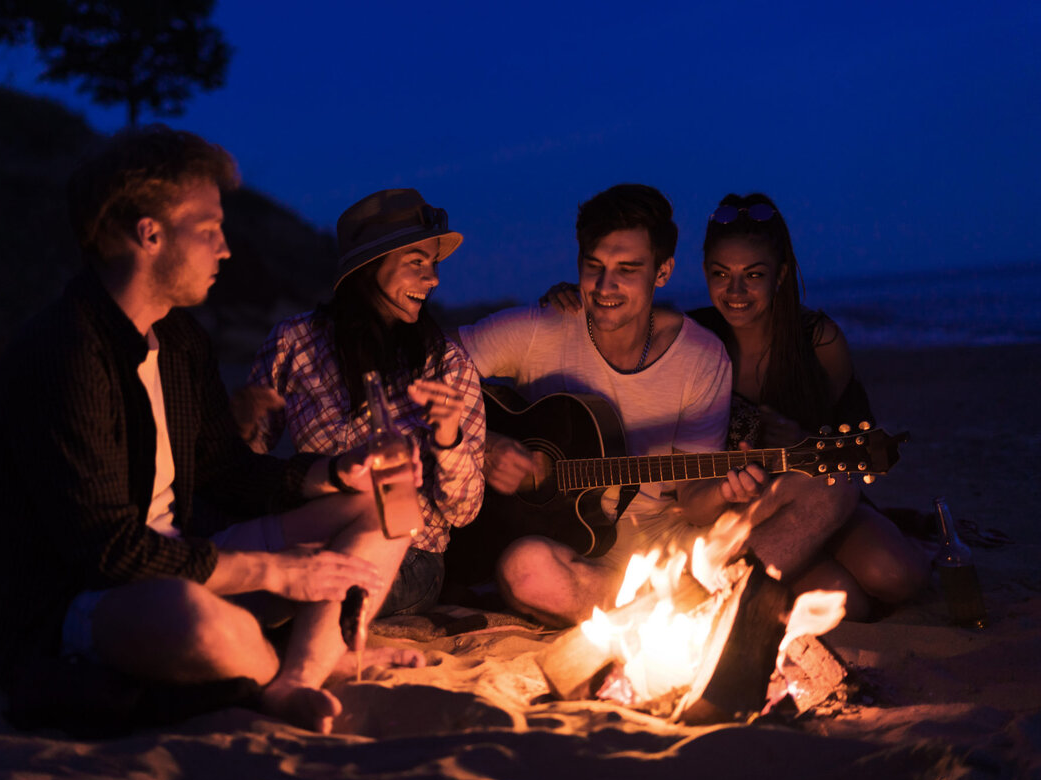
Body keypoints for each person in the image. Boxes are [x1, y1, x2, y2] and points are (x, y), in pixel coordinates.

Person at [0, 125, 422, 734]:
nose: (225, 249)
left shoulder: (179, 338)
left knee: (387, 502)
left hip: (190, 557)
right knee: (196, 620)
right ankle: (285, 666)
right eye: (209, 229)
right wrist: (275, 572)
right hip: (86, 598)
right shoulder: (65, 354)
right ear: (150, 235)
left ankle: (297, 676)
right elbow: (111, 552)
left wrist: (334, 473)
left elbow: (225, 469)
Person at [458, 184, 861, 627]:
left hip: (664, 536)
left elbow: (692, 502)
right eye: (594, 267)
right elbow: (422, 367)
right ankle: (699, 610)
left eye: (627, 269)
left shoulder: (700, 356)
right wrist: (487, 444)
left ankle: (669, 609)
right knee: (525, 570)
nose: (605, 286)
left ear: (663, 271)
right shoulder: (538, 329)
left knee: (833, 488)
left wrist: (725, 492)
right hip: (564, 543)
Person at [540, 192, 929, 620]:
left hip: (810, 492)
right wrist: (571, 299)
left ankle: (906, 535)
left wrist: (801, 438)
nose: (736, 290)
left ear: (780, 275)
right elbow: (618, 323)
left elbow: (852, 447)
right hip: (731, 514)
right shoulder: (692, 340)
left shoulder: (818, 341)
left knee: (894, 575)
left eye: (754, 274)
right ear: (705, 272)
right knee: (848, 601)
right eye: (721, 274)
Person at [236, 188, 485, 617]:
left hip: (410, 556)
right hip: (317, 535)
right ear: (369, 266)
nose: (433, 279)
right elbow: (247, 465)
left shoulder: (445, 365)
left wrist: (449, 438)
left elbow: (463, 512)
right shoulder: (295, 343)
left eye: (434, 264)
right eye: (417, 263)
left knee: (313, 598)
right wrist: (240, 425)